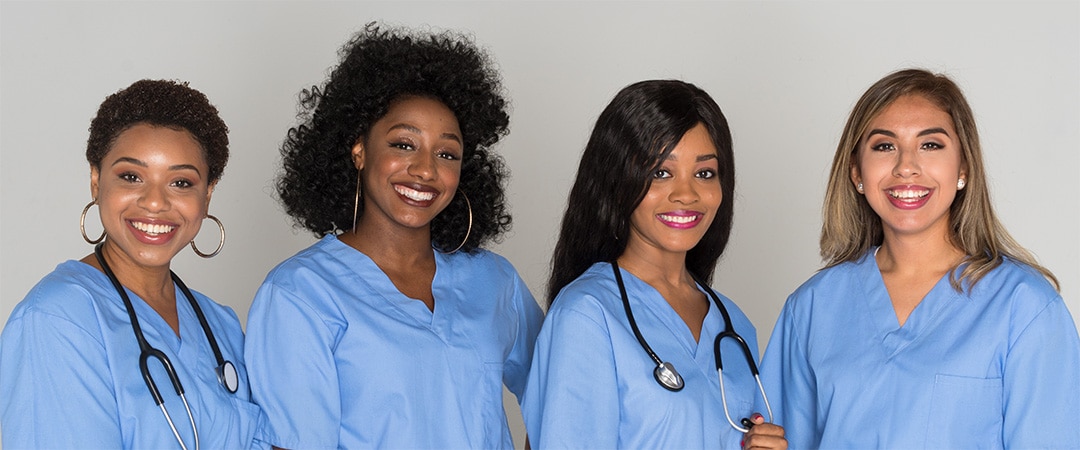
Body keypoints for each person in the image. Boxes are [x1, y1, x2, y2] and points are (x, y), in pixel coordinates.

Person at [243, 24, 543, 449]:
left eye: (446, 153)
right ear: (359, 150)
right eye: (404, 144)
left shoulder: (494, 281)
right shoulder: (300, 294)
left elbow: (566, 390)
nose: (425, 169)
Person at [759, 68, 1080, 448]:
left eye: (930, 145)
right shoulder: (811, 309)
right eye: (884, 146)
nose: (906, 166)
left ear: (963, 168)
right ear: (856, 173)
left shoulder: (1024, 307)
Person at [0, 79, 269, 449]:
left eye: (181, 182)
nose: (155, 202)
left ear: (207, 194)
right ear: (96, 180)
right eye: (131, 176)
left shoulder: (220, 326)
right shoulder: (57, 320)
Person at [521, 79, 786, 449]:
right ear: (617, 181)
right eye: (661, 172)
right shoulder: (587, 315)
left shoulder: (734, 326)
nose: (686, 194)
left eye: (705, 173)